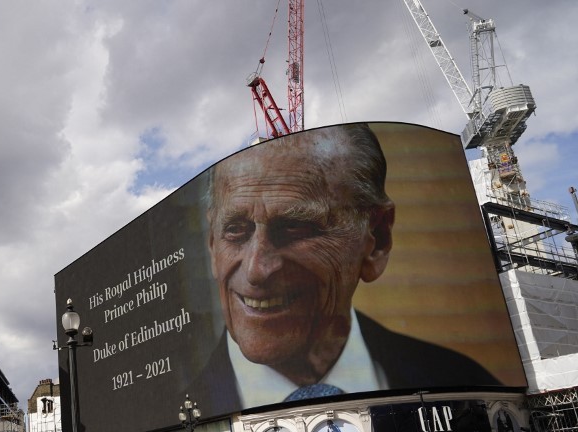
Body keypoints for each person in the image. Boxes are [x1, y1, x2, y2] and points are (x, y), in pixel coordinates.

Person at [194, 124, 500, 410]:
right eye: (235, 230)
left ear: (376, 238)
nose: (256, 270)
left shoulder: (468, 382)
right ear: (211, 244)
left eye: (295, 228)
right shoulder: (183, 405)